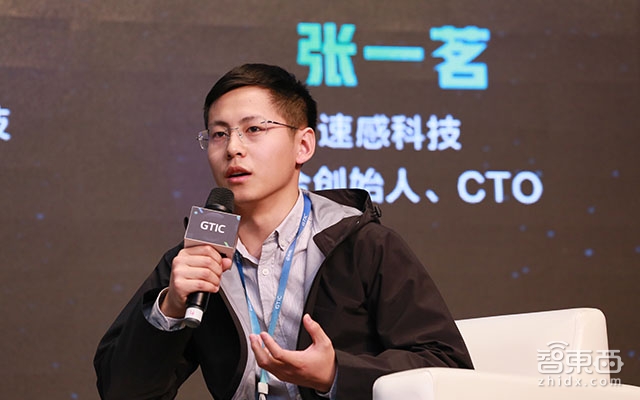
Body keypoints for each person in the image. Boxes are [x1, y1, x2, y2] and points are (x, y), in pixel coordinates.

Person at [94, 63, 473, 400]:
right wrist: (171, 308)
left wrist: (336, 374)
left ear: (303, 145)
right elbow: (122, 391)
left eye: (254, 129)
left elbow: (448, 366)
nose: (233, 149)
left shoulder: (362, 244)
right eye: (219, 134)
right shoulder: (197, 259)